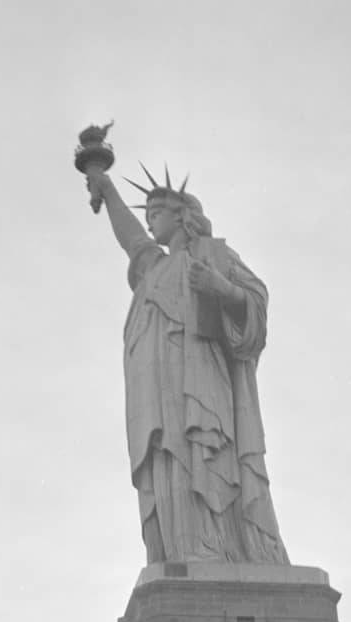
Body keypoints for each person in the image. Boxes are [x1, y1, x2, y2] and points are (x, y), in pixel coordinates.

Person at [83, 161, 289, 565]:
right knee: (167, 458)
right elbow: (132, 240)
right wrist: (106, 190)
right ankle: (183, 551)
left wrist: (222, 289)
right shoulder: (154, 267)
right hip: (156, 389)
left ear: (182, 216)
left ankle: (216, 549)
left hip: (199, 375)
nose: (150, 221)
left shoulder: (212, 254)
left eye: (157, 213)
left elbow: (255, 300)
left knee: (203, 452)